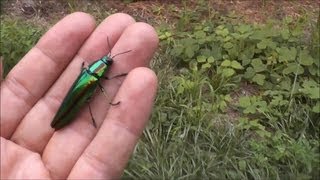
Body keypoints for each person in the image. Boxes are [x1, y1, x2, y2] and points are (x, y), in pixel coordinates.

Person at [0, 12, 158, 179]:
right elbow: (106, 79)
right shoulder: (97, 76)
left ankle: (66, 119)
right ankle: (75, 116)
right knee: (87, 100)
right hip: (76, 99)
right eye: (106, 59)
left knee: (85, 100)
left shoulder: (88, 72)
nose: (107, 60)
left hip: (77, 95)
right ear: (101, 65)